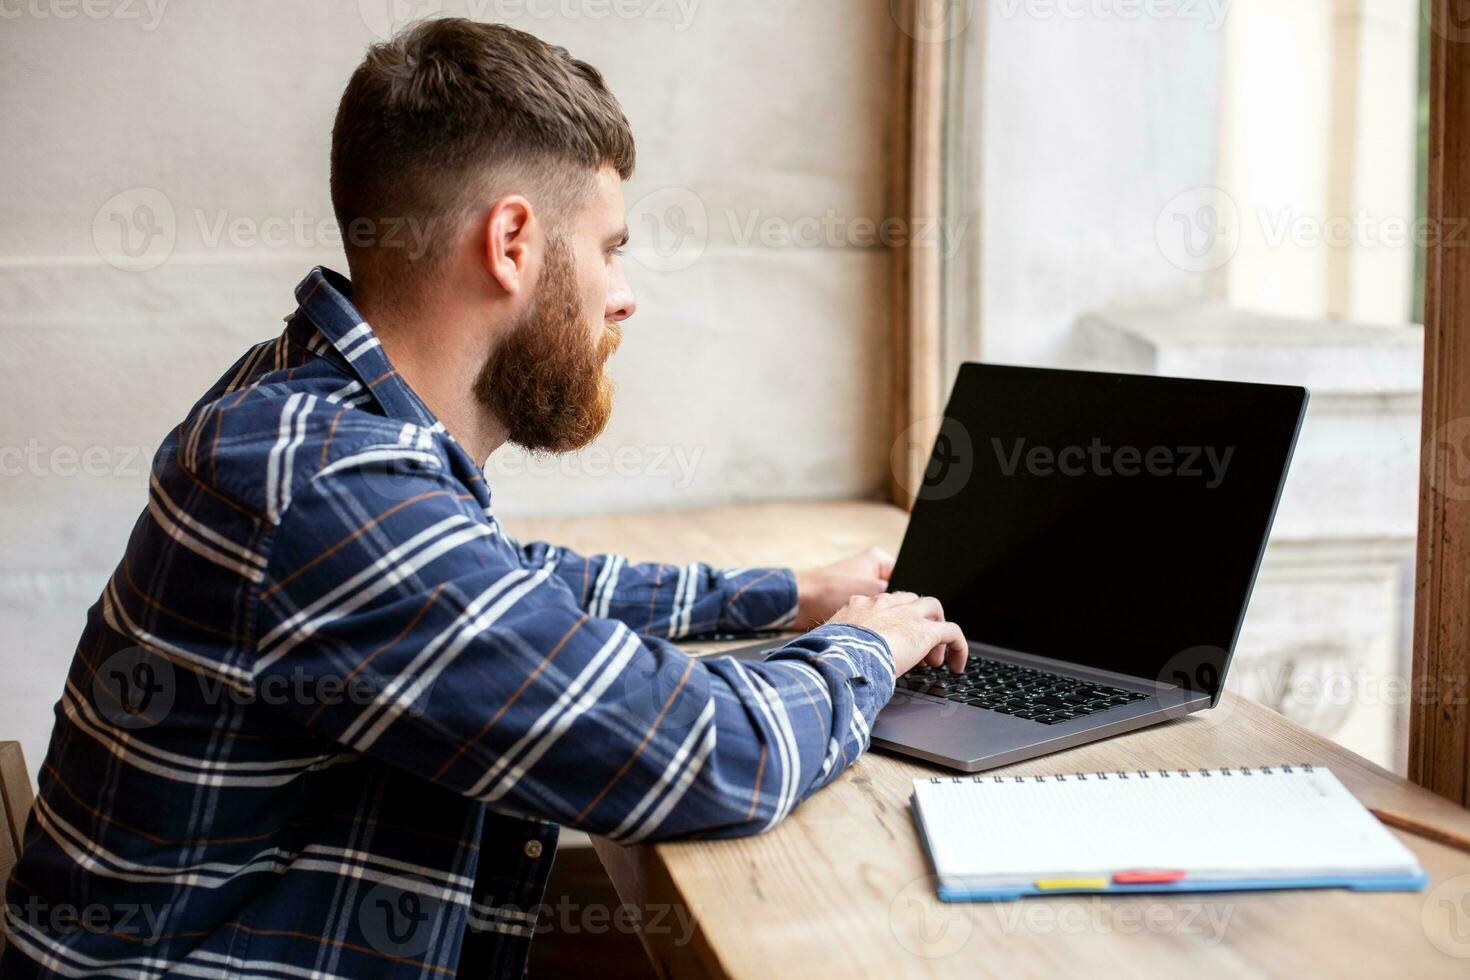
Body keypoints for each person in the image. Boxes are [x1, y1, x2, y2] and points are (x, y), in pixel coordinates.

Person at [0, 18, 966, 978]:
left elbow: (501, 584)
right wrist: (870, 646)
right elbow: (709, 754)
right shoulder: (319, 483)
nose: (623, 296)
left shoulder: (311, 403)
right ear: (511, 242)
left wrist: (785, 594)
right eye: (610, 248)